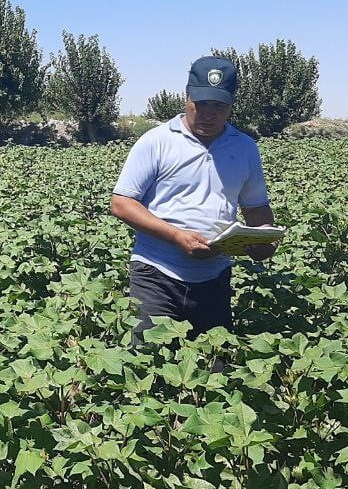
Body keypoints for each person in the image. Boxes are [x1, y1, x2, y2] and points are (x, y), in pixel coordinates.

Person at [110, 56, 276, 344]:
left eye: (219, 106)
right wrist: (177, 236)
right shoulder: (157, 141)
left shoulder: (245, 147)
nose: (208, 114)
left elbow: (257, 209)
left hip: (215, 277)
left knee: (215, 372)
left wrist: (264, 242)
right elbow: (122, 203)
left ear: (231, 105)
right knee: (149, 364)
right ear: (186, 96)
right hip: (156, 274)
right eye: (200, 104)